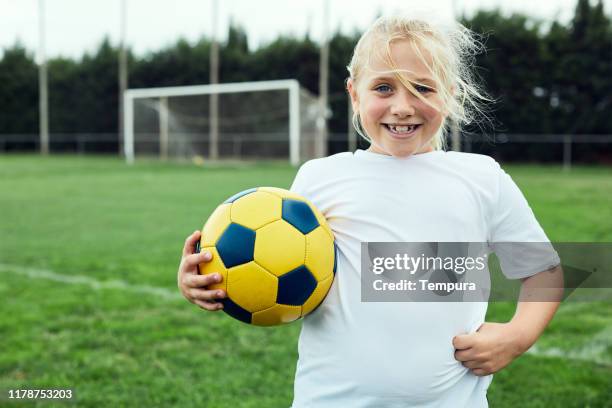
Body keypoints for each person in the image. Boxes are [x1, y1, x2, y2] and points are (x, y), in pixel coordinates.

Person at [177, 14, 563, 408]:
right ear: (354, 94)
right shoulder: (320, 178)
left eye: (422, 88)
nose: (402, 106)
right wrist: (207, 279)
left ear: (447, 94)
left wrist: (517, 336)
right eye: (383, 87)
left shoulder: (482, 178)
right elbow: (269, 262)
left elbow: (543, 270)